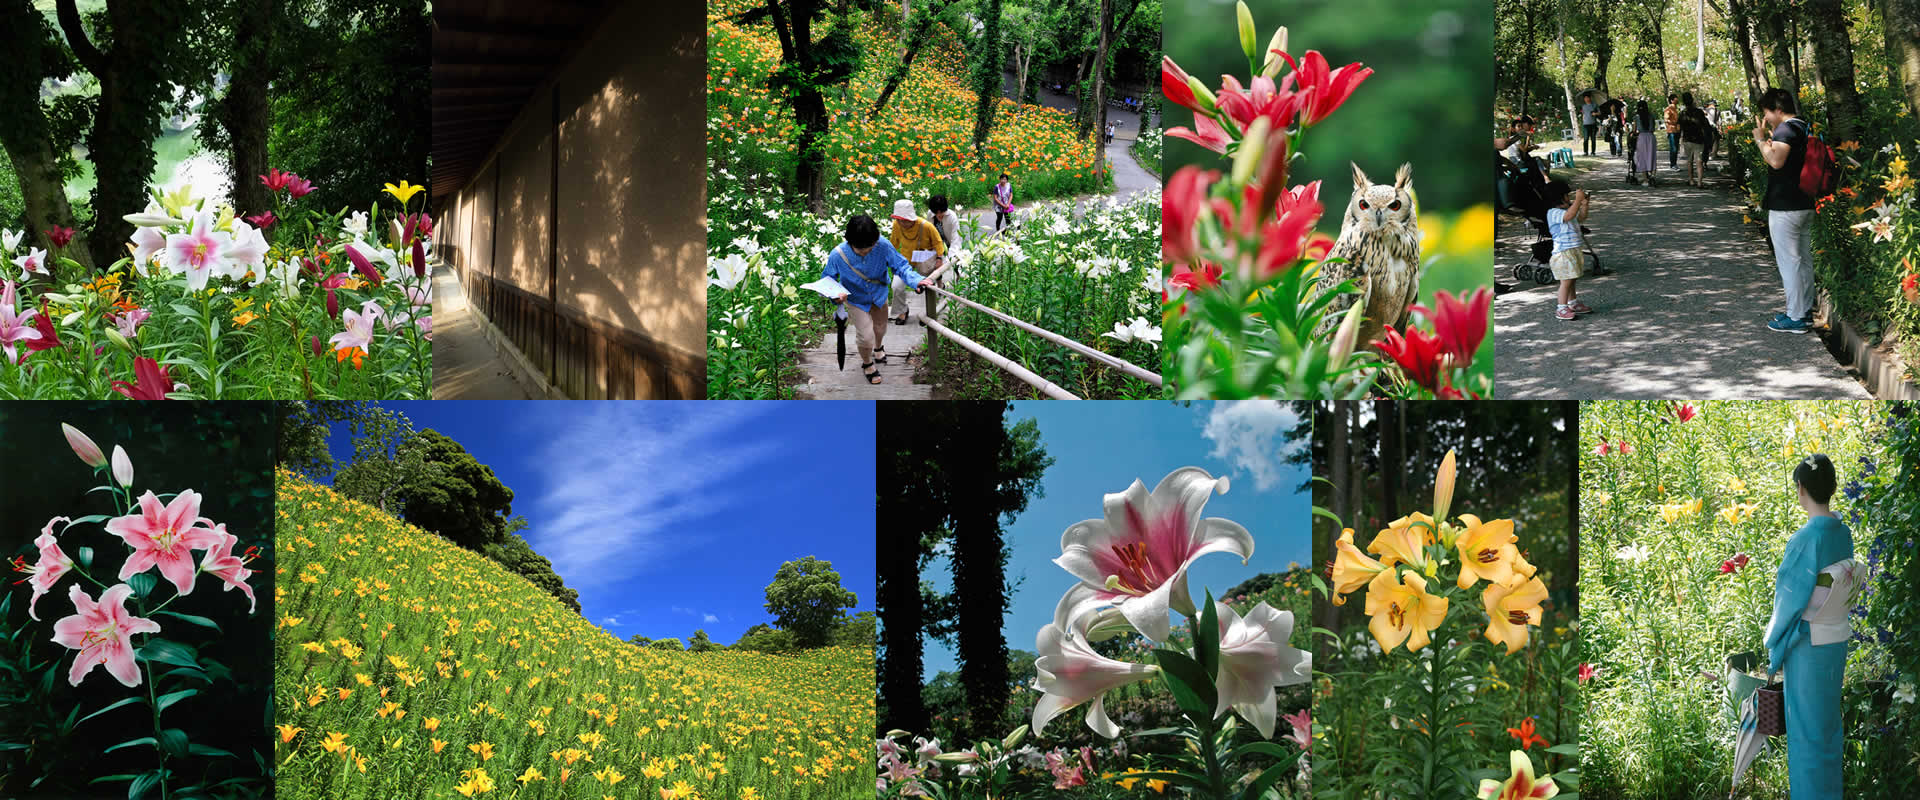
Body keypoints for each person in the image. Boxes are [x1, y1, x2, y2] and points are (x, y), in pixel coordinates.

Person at [1765, 454, 1853, 800]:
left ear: (1801, 489)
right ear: (1830, 488)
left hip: (1807, 646)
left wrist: (1774, 647)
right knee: (1828, 730)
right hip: (1835, 641)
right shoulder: (1841, 532)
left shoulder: (1805, 539)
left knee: (1806, 736)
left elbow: (1789, 602)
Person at [822, 214, 927, 385]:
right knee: (865, 336)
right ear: (849, 241)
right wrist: (835, 296)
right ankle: (867, 364)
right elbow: (827, 280)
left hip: (879, 294)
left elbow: (900, 266)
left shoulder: (883, 245)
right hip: (855, 299)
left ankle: (879, 348)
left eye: (869, 247)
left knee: (880, 328)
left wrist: (916, 280)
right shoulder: (837, 255)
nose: (865, 251)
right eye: (860, 248)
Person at [1755, 87, 1817, 334]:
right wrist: (1771, 143)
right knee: (1803, 260)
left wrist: (1760, 139)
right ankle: (1804, 311)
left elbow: (1776, 161)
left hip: (1786, 205)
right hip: (1804, 203)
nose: (1766, 117)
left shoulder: (1786, 128)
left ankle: (1796, 317)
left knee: (1789, 262)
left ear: (1778, 110)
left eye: (1767, 112)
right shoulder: (1802, 125)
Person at [887, 198, 946, 327]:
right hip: (905, 260)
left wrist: (939, 259)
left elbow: (938, 242)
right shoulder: (897, 225)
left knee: (928, 285)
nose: (901, 222)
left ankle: (930, 312)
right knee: (896, 286)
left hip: (925, 259)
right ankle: (902, 311)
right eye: (898, 219)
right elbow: (893, 243)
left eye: (904, 220)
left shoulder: (926, 226)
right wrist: (888, 258)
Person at [1546, 184, 1594, 320]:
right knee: (1566, 282)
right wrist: (1578, 201)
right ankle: (1561, 308)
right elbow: (1568, 216)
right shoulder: (1553, 212)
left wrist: (1584, 204)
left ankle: (1573, 303)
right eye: (1567, 195)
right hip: (1563, 253)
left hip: (1573, 250)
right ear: (1558, 198)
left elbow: (1581, 218)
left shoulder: (1569, 210)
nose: (1570, 198)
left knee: (1572, 279)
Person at [1679, 91, 1711, 187]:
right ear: (1692, 100)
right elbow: (1705, 125)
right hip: (1698, 139)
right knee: (1699, 161)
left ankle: (1691, 180)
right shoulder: (1699, 112)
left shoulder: (1682, 113)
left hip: (1687, 139)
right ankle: (1700, 182)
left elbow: (1680, 127)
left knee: (1689, 161)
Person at [1631, 100, 1658, 185]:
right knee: (1652, 156)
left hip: (1642, 137)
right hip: (1651, 137)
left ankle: (1645, 180)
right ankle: (1653, 176)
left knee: (1642, 157)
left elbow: (1634, 130)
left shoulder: (1636, 117)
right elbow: (1653, 128)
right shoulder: (1651, 116)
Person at [1664, 93, 1682, 170]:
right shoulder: (1668, 109)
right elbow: (1666, 120)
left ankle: (1675, 163)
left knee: (1676, 148)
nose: (1677, 99)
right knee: (1673, 148)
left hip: (1677, 131)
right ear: (1672, 100)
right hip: (1671, 131)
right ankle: (1673, 164)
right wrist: (1675, 122)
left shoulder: (1676, 108)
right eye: (1675, 98)